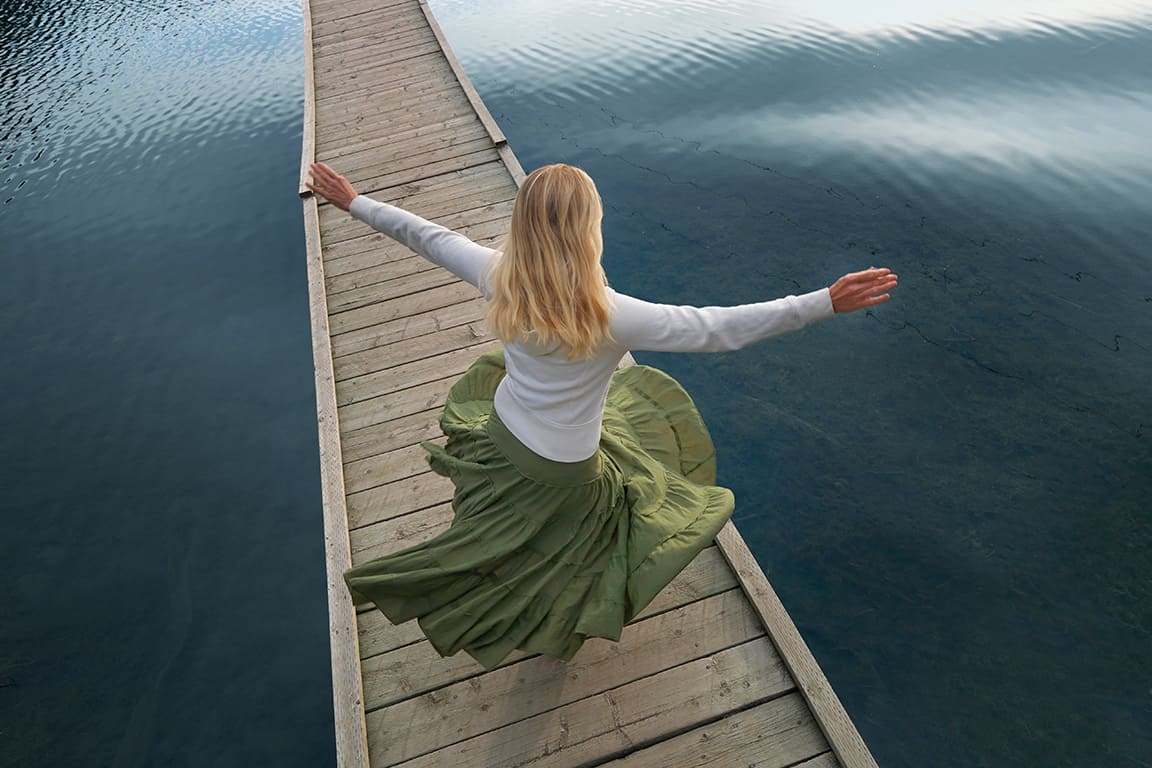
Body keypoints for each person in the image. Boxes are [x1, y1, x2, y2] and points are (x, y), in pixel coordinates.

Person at [306, 161, 897, 670]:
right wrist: (822, 302)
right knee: (589, 542)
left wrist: (354, 202)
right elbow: (720, 329)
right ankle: (544, 619)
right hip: (567, 463)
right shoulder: (613, 314)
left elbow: (425, 235)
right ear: (590, 231)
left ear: (523, 225)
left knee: (523, 503)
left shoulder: (498, 275)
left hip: (503, 436)